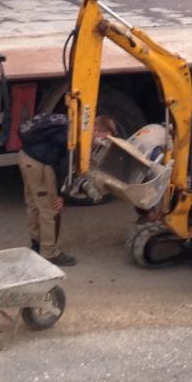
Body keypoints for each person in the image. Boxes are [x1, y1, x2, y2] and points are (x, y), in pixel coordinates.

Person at [17, 113, 116, 267]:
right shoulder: (76, 137)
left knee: (33, 203)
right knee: (50, 209)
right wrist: (60, 195)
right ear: (95, 128)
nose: (102, 141)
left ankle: (36, 244)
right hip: (39, 165)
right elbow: (64, 167)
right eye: (104, 137)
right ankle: (50, 253)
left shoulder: (72, 122)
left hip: (25, 156)